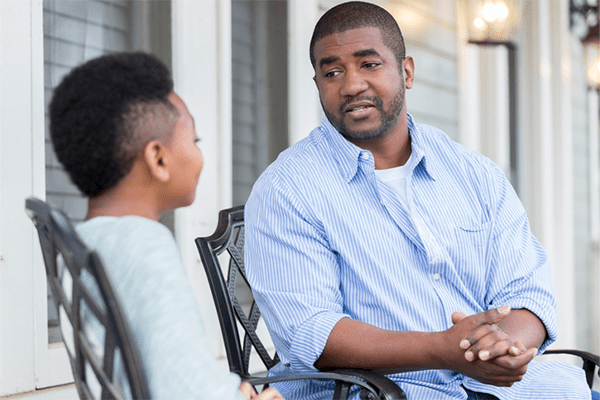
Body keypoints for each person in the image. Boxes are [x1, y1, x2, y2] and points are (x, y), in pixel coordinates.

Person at [245, 2, 597, 400]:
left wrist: (502, 349)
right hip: (383, 393)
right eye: (332, 72)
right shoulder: (288, 189)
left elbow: (527, 290)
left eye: (369, 64)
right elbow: (313, 332)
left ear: (406, 71)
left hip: (511, 390)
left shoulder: (473, 174)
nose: (351, 85)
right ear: (318, 83)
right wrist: (445, 350)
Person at [49, 52, 283, 400]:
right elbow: (185, 391)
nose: (199, 154)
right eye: (195, 141)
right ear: (158, 158)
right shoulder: (143, 244)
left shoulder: (86, 240)